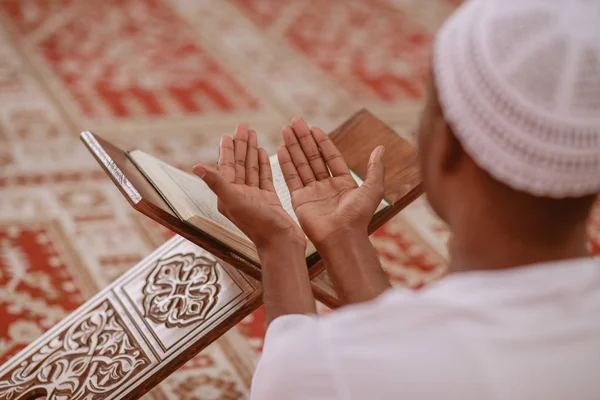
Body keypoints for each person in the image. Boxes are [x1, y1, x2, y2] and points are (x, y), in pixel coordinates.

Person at [192, 0, 600, 398]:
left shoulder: (328, 369)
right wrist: (344, 237)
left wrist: (278, 246)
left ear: (447, 146)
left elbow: (337, 368)